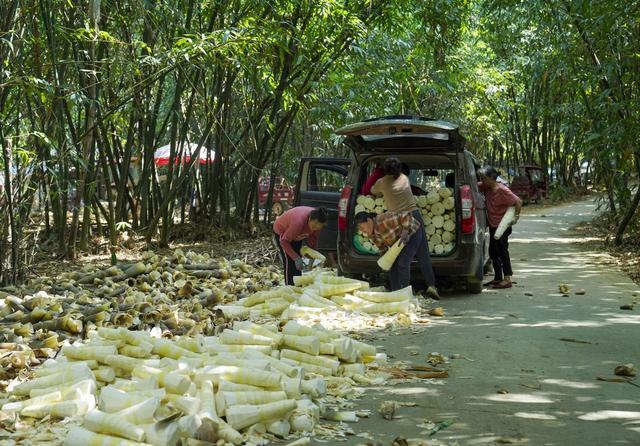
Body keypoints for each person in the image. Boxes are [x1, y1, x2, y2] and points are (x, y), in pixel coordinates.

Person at [370, 156, 438, 297]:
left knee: (398, 258)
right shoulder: (405, 178)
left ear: (384, 169)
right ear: (400, 168)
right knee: (423, 254)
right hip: (415, 217)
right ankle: (431, 285)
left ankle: (399, 292)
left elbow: (371, 191)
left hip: (398, 222)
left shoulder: (381, 182)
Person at [355, 211, 439, 298]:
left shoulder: (383, 220)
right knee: (393, 265)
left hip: (412, 232)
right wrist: (385, 261)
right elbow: (382, 247)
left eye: (361, 227)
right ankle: (395, 292)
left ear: (369, 221)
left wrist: (405, 231)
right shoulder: (371, 234)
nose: (362, 231)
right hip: (399, 241)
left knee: (403, 263)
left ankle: (404, 294)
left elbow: (407, 216)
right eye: (360, 229)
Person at [478, 166, 522, 289]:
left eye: (484, 178)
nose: (482, 181)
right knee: (493, 252)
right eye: (481, 178)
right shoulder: (486, 187)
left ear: (492, 178)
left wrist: (516, 217)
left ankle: (507, 279)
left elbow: (518, 201)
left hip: (502, 226)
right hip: (493, 225)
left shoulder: (502, 190)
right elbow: (473, 185)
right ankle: (498, 278)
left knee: (502, 251)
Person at [273, 206, 328, 285]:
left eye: (318, 226)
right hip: (282, 231)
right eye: (314, 224)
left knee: (299, 262)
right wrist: (296, 258)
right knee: (290, 260)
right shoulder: (298, 223)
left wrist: (313, 257)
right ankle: (290, 286)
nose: (315, 227)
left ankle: (298, 284)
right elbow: (284, 241)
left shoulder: (318, 227)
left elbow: (313, 240)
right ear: (310, 219)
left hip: (296, 235)